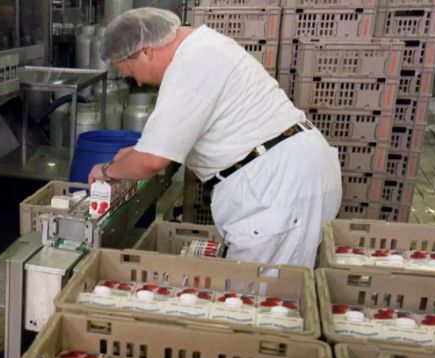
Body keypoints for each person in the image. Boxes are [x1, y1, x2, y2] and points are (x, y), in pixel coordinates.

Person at [88, 8, 342, 267]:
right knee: (279, 290)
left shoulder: (189, 65)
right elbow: (172, 138)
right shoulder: (205, 47)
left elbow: (153, 160)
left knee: (257, 296)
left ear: (145, 51)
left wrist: (107, 171)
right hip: (293, 173)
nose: (139, 83)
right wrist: (133, 154)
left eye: (131, 72)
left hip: (277, 189)